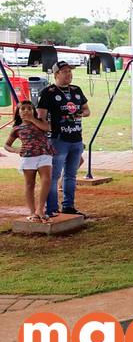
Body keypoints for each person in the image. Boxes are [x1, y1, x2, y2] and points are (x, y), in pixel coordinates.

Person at [37, 60, 90, 217]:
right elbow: (41, 116)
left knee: (71, 175)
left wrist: (81, 113)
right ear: (56, 74)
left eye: (70, 71)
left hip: (76, 138)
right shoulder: (48, 92)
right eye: (65, 71)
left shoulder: (76, 90)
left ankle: (68, 206)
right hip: (58, 139)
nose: (69, 74)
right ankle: (52, 208)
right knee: (54, 176)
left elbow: (87, 110)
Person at [4, 100, 53, 222]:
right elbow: (6, 145)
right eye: (23, 109)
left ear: (33, 111)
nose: (26, 110)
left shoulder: (40, 122)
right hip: (28, 156)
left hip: (44, 154)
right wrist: (15, 150)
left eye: (29, 108)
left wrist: (32, 119)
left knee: (46, 180)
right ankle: (32, 212)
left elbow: (47, 128)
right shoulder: (17, 128)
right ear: (18, 112)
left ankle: (40, 209)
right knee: (29, 183)